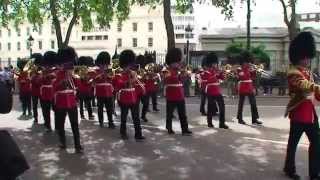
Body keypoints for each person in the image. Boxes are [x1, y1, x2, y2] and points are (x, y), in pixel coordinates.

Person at [283, 31, 320, 180]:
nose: (307, 60)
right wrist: (317, 88)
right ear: (299, 55)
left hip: (310, 114)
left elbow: (313, 91)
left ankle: (314, 173)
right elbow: (303, 85)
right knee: (293, 144)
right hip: (298, 114)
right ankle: (289, 168)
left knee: (317, 144)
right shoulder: (293, 72)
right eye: (305, 57)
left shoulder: (308, 72)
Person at [54, 47, 83, 153]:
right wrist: (61, 82)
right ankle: (62, 142)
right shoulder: (57, 74)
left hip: (71, 102)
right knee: (61, 124)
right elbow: (54, 87)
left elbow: (78, 87)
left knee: (75, 124)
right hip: (61, 102)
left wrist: (74, 77)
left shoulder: (73, 74)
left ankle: (77, 145)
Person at [114, 50, 145, 140]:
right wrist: (131, 79)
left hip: (133, 97)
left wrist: (136, 79)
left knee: (136, 117)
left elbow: (138, 86)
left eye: (129, 65)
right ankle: (123, 132)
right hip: (124, 97)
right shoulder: (119, 74)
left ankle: (138, 134)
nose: (129, 67)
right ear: (123, 65)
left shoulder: (133, 73)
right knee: (124, 116)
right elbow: (119, 85)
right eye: (127, 66)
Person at [163, 48, 192, 135]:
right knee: (170, 113)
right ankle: (169, 128)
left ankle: (185, 129)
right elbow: (167, 79)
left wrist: (185, 75)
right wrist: (178, 73)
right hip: (171, 94)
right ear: (171, 62)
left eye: (177, 62)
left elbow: (183, 81)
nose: (177, 63)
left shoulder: (180, 70)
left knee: (182, 114)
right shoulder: (166, 70)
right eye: (176, 62)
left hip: (180, 94)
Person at [203, 53, 229, 129]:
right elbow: (208, 80)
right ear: (210, 64)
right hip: (210, 91)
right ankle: (209, 123)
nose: (216, 64)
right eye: (214, 63)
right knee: (210, 108)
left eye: (215, 63)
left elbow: (222, 79)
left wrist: (223, 74)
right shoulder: (206, 72)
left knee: (222, 107)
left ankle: (222, 123)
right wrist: (216, 74)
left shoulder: (216, 70)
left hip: (217, 91)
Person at [236, 51, 262, 125]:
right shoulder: (239, 69)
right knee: (241, 104)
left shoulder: (249, 68)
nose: (248, 63)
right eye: (246, 62)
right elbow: (243, 77)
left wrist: (254, 71)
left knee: (253, 103)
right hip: (243, 87)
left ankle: (254, 119)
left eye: (248, 62)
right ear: (243, 62)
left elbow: (252, 77)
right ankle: (240, 119)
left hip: (250, 87)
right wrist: (248, 69)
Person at [94, 51, 115, 128]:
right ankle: (101, 122)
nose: (104, 65)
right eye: (103, 64)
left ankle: (110, 122)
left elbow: (112, 80)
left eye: (105, 64)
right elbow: (94, 80)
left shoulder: (110, 71)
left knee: (109, 108)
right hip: (100, 91)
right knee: (100, 108)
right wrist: (99, 76)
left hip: (109, 91)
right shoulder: (95, 71)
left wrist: (110, 77)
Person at [40, 51, 57, 132]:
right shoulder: (41, 72)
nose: (48, 66)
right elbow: (38, 81)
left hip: (54, 93)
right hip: (44, 93)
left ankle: (58, 125)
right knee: (45, 111)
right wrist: (45, 76)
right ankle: (48, 125)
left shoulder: (55, 70)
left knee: (57, 110)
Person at [30, 53, 43, 123]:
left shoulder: (41, 69)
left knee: (43, 105)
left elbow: (42, 80)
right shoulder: (32, 70)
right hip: (34, 91)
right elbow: (31, 80)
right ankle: (36, 117)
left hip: (40, 91)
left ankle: (44, 117)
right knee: (34, 106)